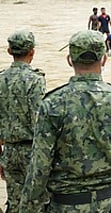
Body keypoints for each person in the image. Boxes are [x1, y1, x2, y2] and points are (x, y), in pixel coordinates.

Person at [19, 30, 111, 212]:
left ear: (70, 60)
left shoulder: (52, 105)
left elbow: (39, 166)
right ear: (103, 59)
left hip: (65, 205)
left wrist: (27, 207)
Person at [0, 30, 46, 213]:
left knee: (14, 200)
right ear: (32, 52)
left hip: (9, 150)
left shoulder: (1, 79)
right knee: (37, 202)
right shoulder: (35, 80)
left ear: (9, 51)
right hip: (32, 150)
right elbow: (39, 121)